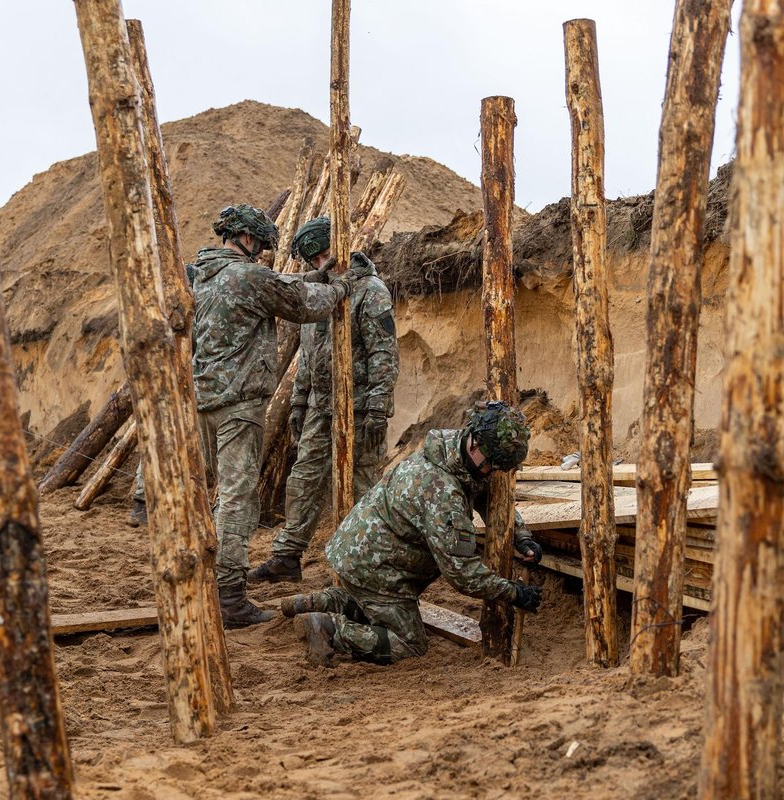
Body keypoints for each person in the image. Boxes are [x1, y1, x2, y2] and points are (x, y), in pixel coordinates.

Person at [192, 204, 369, 628]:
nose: (260, 255)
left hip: (201, 401)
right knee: (237, 500)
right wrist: (340, 286)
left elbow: (280, 284)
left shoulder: (200, 275)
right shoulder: (249, 276)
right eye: (259, 247)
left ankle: (204, 582)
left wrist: (317, 276)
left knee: (206, 494)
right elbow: (300, 302)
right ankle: (230, 597)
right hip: (239, 404)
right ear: (249, 239)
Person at [281, 401, 545, 667]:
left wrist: (520, 536)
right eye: (493, 465)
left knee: (371, 602)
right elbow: (462, 573)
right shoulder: (443, 493)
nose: (494, 472)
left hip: (358, 552)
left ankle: (317, 602)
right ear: (476, 446)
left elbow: (489, 496)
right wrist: (512, 592)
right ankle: (330, 628)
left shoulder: (451, 447)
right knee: (409, 643)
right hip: (377, 570)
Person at [249, 217, 399, 585]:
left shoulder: (371, 291)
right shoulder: (318, 293)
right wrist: (299, 403)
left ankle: (367, 559)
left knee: (363, 483)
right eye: (314, 259)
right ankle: (287, 555)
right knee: (304, 479)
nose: (322, 264)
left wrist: (378, 405)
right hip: (320, 406)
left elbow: (384, 353)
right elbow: (308, 357)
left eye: (326, 255)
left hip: (360, 406)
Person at [127, 262, 199, 528]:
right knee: (164, 441)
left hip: (164, 384)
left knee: (158, 440)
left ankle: (142, 503)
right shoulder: (180, 313)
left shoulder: (161, 310)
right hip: (173, 385)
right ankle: (143, 502)